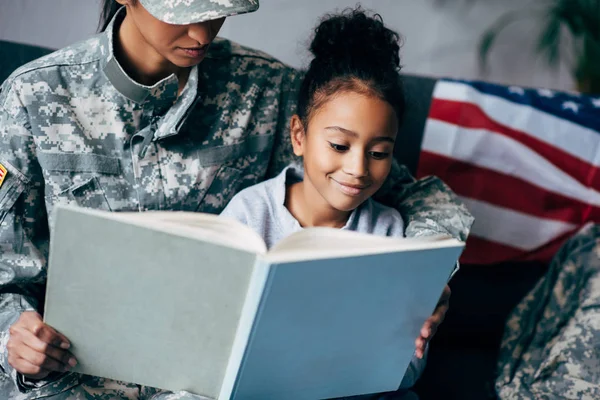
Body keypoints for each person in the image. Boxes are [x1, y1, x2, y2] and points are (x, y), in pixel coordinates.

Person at [0, 0, 473, 399]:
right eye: (185, 7)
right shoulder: (31, 97)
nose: (203, 30)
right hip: (78, 382)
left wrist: (424, 273)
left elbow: (399, 188)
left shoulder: (266, 87)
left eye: (219, 9)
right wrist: (14, 340)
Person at [220, 8, 442, 399]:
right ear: (299, 135)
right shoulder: (250, 214)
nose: (357, 169)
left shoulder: (388, 231)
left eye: (378, 152)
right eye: (339, 146)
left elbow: (406, 368)